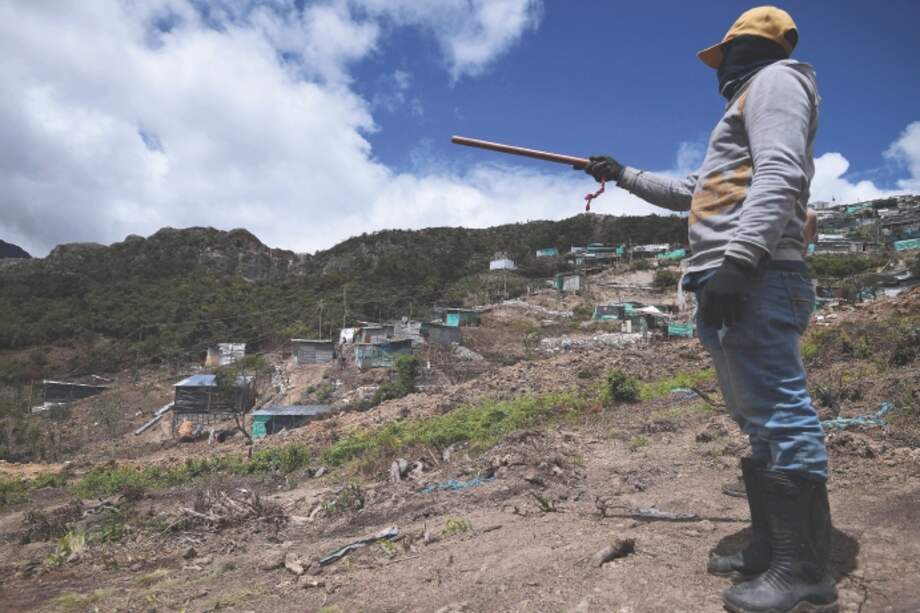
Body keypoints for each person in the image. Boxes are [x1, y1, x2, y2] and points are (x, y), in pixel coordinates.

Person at [582, 7, 837, 613]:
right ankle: (770, 547)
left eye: (724, 57)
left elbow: (782, 169)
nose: (717, 71)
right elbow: (692, 193)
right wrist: (621, 175)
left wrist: (742, 260)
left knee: (781, 417)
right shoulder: (745, 102)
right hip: (732, 278)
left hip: (755, 277)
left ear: (749, 49)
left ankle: (803, 572)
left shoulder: (776, 82)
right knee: (758, 422)